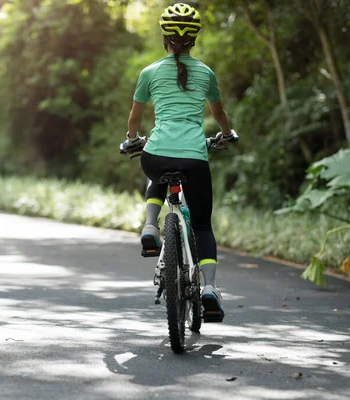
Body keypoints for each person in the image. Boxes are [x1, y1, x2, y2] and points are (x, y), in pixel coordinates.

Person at [120, 3, 238, 322]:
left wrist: (132, 138)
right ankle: (210, 289)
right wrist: (227, 134)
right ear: (194, 39)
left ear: (164, 37)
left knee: (157, 170)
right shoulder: (206, 73)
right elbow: (218, 114)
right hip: (195, 157)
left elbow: (135, 117)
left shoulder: (149, 72)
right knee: (201, 225)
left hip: (155, 154)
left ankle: (149, 225)